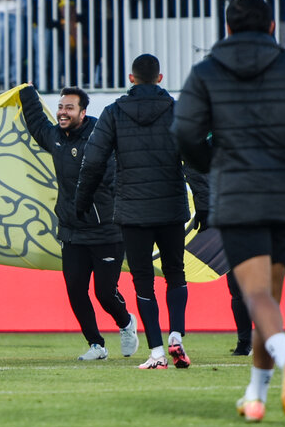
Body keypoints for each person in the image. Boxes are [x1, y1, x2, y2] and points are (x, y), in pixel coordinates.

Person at [173, 0, 285, 422]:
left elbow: (184, 133)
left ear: (228, 28)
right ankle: (256, 397)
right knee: (268, 299)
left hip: (238, 196)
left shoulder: (207, 72)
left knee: (255, 298)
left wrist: (215, 166)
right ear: (272, 27)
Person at [75, 53, 208, 370]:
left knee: (143, 281)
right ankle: (176, 335)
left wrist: (81, 201)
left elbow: (93, 162)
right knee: (175, 274)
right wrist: (203, 203)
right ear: (160, 79)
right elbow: (196, 161)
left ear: (131, 78)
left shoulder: (113, 113)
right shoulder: (179, 112)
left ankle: (158, 353)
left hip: (133, 213)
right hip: (172, 208)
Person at [21, 83, 138, 362]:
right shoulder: (56, 137)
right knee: (75, 289)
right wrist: (26, 92)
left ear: (82, 112)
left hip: (106, 228)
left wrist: (91, 206)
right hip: (72, 230)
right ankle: (96, 345)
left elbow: (109, 178)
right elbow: (37, 124)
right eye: (60, 107)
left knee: (105, 293)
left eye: (69, 108)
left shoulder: (101, 137)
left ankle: (126, 323)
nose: (62, 112)